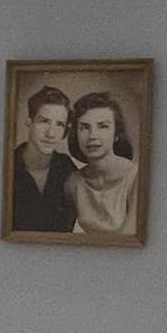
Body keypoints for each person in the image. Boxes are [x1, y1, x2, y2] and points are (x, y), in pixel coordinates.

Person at [9, 84, 78, 233]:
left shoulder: (67, 167)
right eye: (44, 121)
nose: (51, 133)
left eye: (59, 124)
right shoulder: (7, 165)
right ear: (29, 122)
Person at [69, 90, 139, 237]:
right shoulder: (73, 182)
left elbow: (128, 240)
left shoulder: (137, 177)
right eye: (84, 127)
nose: (92, 136)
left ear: (116, 134)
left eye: (103, 126)